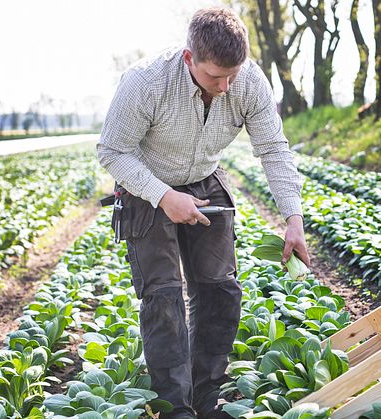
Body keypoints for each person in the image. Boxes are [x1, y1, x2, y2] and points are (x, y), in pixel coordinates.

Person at [96, 7, 310, 419]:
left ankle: (205, 396)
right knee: (163, 297)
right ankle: (174, 407)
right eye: (215, 77)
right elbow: (112, 151)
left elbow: (272, 149)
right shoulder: (146, 82)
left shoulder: (247, 81)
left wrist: (293, 218)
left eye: (233, 74)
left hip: (206, 179)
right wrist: (163, 196)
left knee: (220, 292)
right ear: (189, 58)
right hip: (146, 184)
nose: (226, 86)